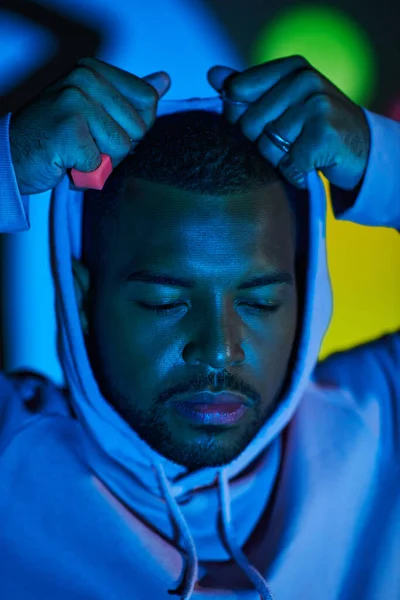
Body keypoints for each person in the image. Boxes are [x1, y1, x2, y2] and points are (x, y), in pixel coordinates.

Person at [0, 55, 399, 600]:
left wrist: (382, 160)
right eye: (165, 303)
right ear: (86, 299)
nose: (218, 350)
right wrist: (5, 163)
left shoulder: (383, 422)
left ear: (304, 295)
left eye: (259, 303)